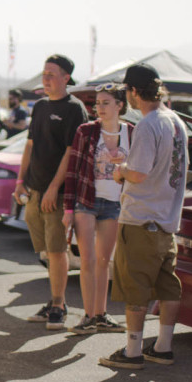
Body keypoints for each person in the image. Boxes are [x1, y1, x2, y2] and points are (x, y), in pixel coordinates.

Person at [99, 64, 189, 370]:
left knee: (134, 288)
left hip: (141, 218)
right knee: (168, 287)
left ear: (134, 91)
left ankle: (133, 351)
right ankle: (163, 347)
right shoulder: (176, 121)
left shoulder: (149, 124)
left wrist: (120, 170)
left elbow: (137, 173)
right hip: (167, 220)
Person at [12, 54, 87, 330]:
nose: (46, 78)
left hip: (57, 193)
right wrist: (21, 181)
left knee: (57, 250)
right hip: (34, 189)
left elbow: (71, 152)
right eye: (44, 73)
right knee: (44, 250)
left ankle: (58, 305)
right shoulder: (41, 106)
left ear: (66, 78)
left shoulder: (74, 109)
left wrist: (54, 189)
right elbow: (30, 145)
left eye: (52, 74)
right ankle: (54, 301)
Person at [64, 85, 133, 335]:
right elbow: (72, 171)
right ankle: (88, 315)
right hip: (87, 201)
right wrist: (68, 209)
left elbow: (139, 171)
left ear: (119, 105)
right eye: (98, 103)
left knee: (105, 261)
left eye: (105, 103)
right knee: (88, 260)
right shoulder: (87, 131)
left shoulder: (131, 133)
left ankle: (101, 315)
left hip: (115, 204)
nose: (99, 108)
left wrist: (123, 166)